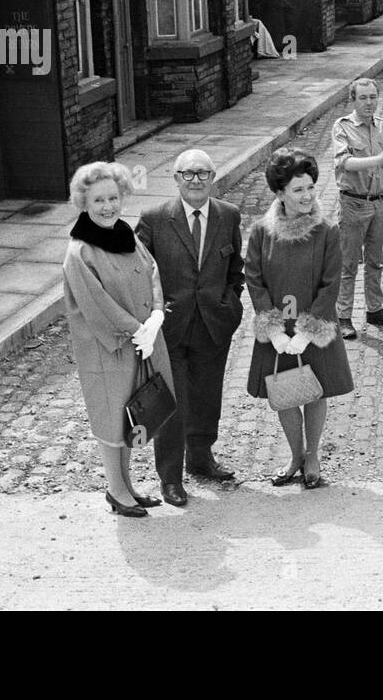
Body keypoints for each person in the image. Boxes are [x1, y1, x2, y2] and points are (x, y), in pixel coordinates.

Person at [134, 149, 243, 508]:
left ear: (213, 178)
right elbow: (139, 272)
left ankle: (201, 458)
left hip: (213, 323)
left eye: (203, 174)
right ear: (176, 178)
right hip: (170, 326)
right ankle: (171, 478)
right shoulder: (154, 219)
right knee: (173, 402)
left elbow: (235, 269)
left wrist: (231, 304)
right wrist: (153, 312)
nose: (195, 180)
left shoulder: (228, 216)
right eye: (188, 174)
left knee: (207, 395)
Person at [62, 162, 172, 518]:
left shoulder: (126, 234)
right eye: (99, 200)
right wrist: (136, 329)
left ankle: (126, 486)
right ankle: (115, 489)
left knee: (130, 414)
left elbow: (152, 271)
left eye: (113, 197)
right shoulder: (80, 252)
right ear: (84, 203)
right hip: (108, 348)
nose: (108, 206)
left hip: (140, 342)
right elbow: (96, 304)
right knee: (111, 417)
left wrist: (156, 315)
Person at [246, 148, 355, 490]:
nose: (307, 196)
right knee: (285, 390)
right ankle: (295, 455)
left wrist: (309, 330)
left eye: (310, 187)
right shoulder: (262, 232)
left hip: (313, 324)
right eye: (297, 190)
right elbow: (254, 278)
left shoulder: (327, 231)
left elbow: (331, 281)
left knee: (315, 389)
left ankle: (313, 456)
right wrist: (274, 329)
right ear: (279, 193)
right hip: (279, 329)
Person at [333, 78, 383, 340]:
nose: (369, 102)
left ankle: (374, 309)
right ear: (353, 99)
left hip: (380, 202)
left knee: (375, 260)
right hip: (353, 202)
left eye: (373, 97)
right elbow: (345, 163)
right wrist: (380, 159)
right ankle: (343, 316)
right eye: (363, 97)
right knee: (348, 263)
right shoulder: (343, 127)